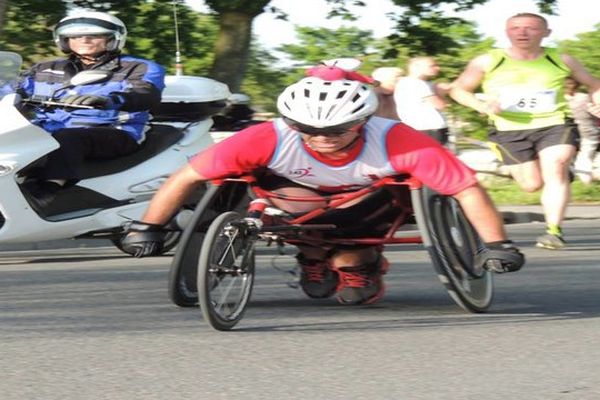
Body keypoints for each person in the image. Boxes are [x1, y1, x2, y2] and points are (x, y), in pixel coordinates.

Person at [121, 73, 524, 306]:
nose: (323, 137)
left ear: (361, 122)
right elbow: (187, 177)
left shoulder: (400, 139)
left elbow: (466, 188)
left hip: (369, 205)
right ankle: (313, 256)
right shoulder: (265, 137)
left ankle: (358, 266)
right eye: (309, 130)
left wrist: (496, 243)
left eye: (336, 130)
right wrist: (149, 226)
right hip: (291, 201)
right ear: (292, 123)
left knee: (349, 247)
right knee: (272, 202)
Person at [449, 12, 600, 250]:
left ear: (546, 33)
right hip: (508, 129)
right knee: (530, 184)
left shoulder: (561, 59)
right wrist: (481, 105)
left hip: (554, 123)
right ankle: (552, 179)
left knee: (557, 165)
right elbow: (458, 90)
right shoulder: (488, 60)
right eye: (515, 28)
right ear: (507, 32)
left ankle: (553, 231)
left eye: (530, 28)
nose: (522, 32)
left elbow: (594, 84)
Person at [18, 10, 165, 208]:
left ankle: (47, 190)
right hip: (45, 130)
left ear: (113, 39)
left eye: (94, 35)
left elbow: (146, 94)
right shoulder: (44, 68)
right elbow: (13, 89)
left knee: (69, 137)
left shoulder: (138, 67)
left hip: (114, 131)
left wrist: (110, 100)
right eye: (76, 35)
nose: (84, 40)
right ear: (64, 39)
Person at [393, 56, 451, 145]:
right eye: (432, 66)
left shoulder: (405, 83)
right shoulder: (417, 83)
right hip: (429, 129)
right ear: (416, 67)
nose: (437, 68)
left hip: (417, 128)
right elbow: (440, 105)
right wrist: (442, 96)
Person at [564, 77, 600, 184]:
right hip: (590, 133)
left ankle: (586, 176)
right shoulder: (586, 99)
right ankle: (586, 180)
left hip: (572, 132)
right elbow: (596, 114)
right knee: (586, 155)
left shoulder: (564, 99)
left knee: (582, 155)